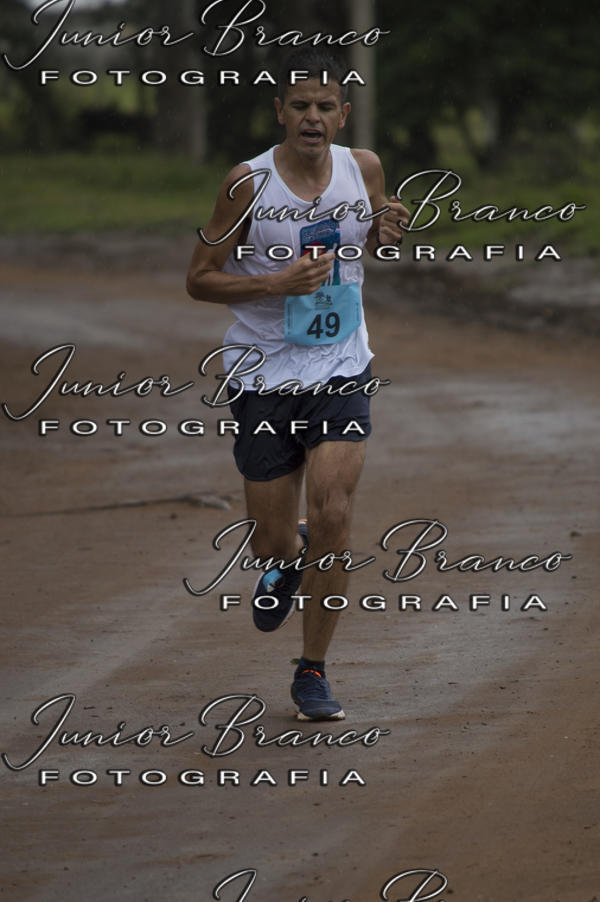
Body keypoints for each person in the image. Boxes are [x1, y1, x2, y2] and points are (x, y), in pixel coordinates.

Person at [187, 48, 407, 721]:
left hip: (341, 363)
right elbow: (199, 276)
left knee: (336, 511)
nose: (314, 117)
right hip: (262, 372)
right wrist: (271, 284)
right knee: (271, 542)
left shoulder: (361, 166)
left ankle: (312, 670)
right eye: (301, 105)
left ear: (342, 114)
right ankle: (287, 554)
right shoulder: (247, 184)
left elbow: (376, 231)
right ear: (279, 113)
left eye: (325, 106)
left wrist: (390, 231)